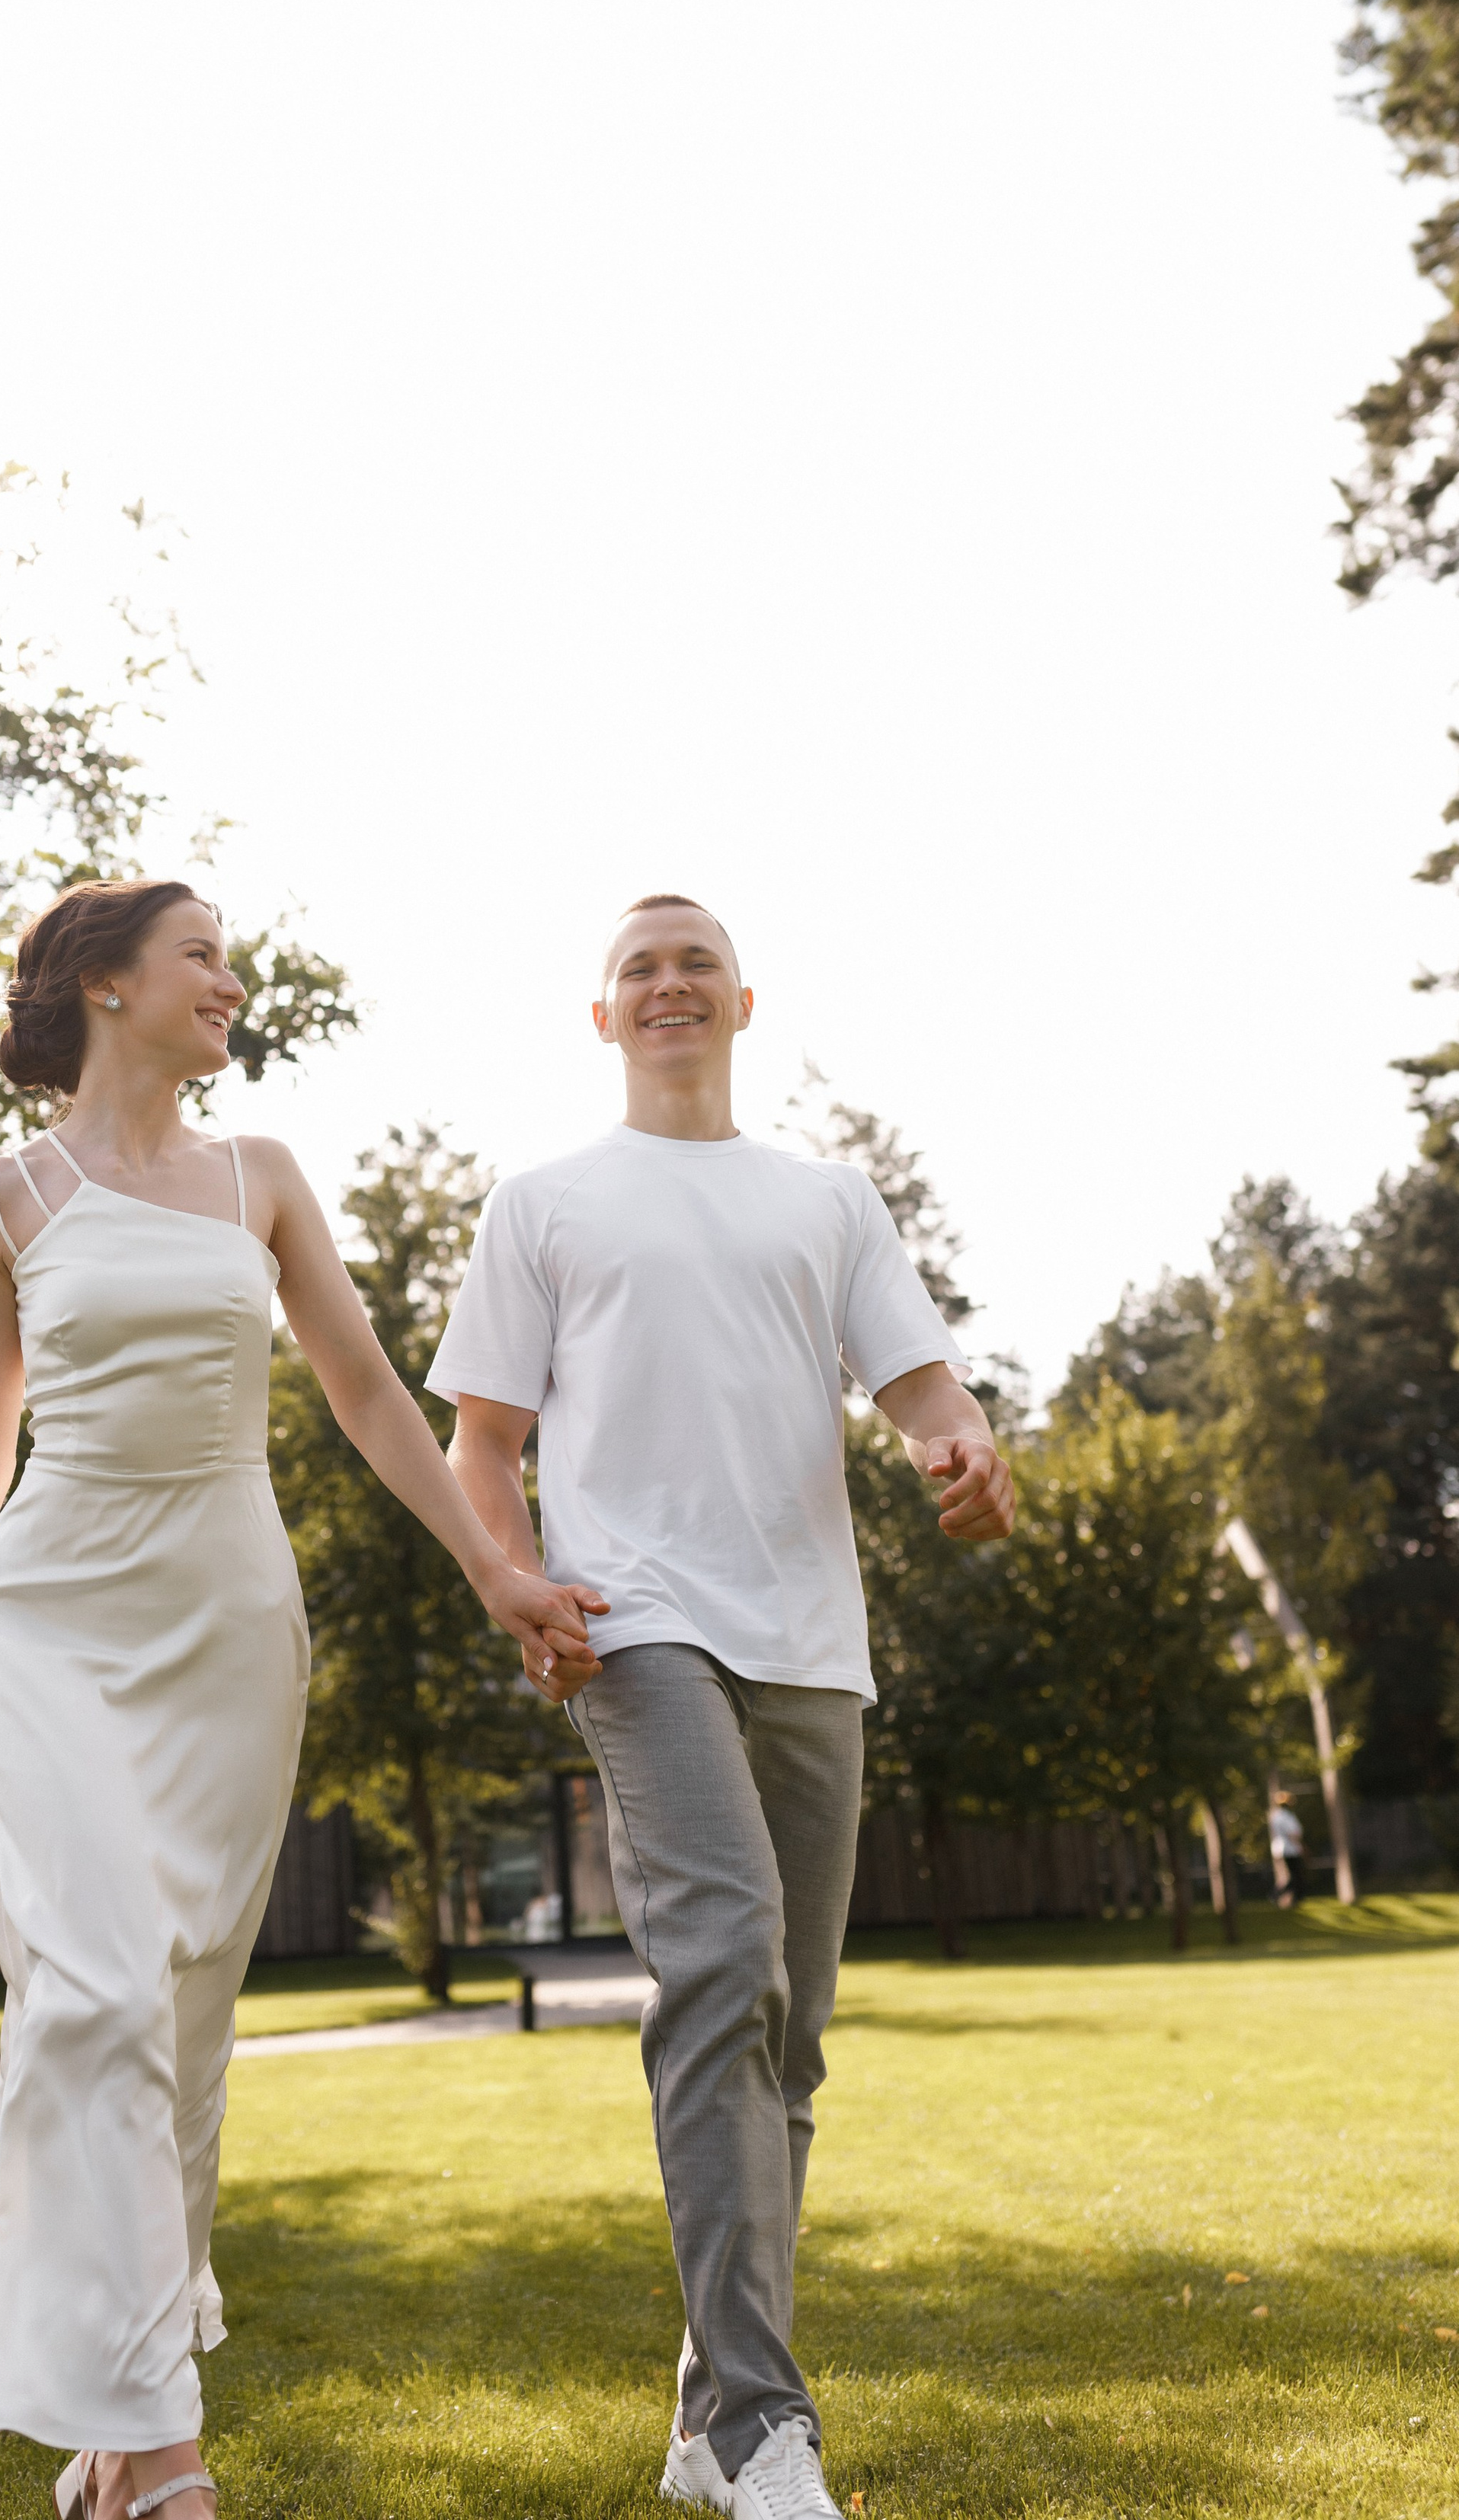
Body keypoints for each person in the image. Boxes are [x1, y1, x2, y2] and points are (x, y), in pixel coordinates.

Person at [0, 878, 602, 2520]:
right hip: (48, 1621)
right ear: (108, 985)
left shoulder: (260, 1180)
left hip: (230, 1625)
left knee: (176, 2026)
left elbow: (367, 1392)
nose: (229, 984)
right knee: (93, 1986)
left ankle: (111, 2460)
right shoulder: (1, 1197)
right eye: (203, 957)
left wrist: (494, 1571)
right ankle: (162, 2449)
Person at [430, 894, 1015, 2520]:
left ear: (742, 1003)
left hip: (811, 1636)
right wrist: (519, 1580)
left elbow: (919, 1388)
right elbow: (482, 1444)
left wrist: (960, 1453)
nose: (667, 982)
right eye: (638, 967)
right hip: (634, 1618)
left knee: (789, 2041)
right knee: (721, 1964)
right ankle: (766, 2427)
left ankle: (702, 2424)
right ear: (600, 1018)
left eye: (694, 961)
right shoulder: (542, 1202)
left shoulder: (825, 1199)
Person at [1268, 1787, 1307, 1906]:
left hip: (1282, 1849)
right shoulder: (1286, 1817)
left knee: (1295, 1875)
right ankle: (1277, 1894)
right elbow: (1292, 1834)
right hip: (1290, 1849)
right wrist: (1300, 1846)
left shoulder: (1276, 1816)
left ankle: (1295, 1898)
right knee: (1296, 1876)